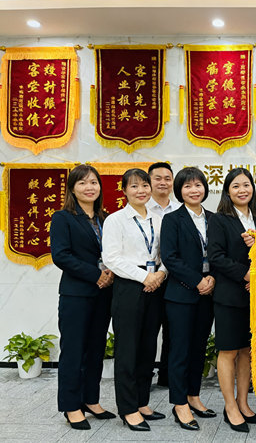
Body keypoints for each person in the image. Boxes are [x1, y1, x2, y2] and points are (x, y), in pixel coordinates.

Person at [102, 168, 168, 431]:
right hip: (129, 286)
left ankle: (142, 402)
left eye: (144, 185)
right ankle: (128, 409)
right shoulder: (115, 220)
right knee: (128, 349)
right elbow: (111, 258)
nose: (141, 191)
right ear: (124, 191)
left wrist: (160, 274)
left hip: (156, 286)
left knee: (148, 347)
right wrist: (144, 277)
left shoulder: (159, 219)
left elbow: (167, 253)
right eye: (134, 186)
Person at [50, 164, 116, 430]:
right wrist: (95, 274)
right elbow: (61, 256)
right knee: (74, 350)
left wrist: (110, 272)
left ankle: (91, 400)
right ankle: (70, 405)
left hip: (104, 292)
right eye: (83, 183)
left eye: (94, 182)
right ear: (72, 188)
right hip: (76, 294)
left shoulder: (106, 218)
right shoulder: (63, 218)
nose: (90, 187)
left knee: (96, 349)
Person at [208, 168, 256, 434]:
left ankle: (243, 403)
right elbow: (216, 257)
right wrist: (246, 274)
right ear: (227, 191)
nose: (242, 190)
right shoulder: (219, 219)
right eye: (236, 186)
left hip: (255, 296)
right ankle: (230, 406)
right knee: (228, 350)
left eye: (246, 185)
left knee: (247, 351)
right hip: (229, 295)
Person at [160, 167, 217, 431]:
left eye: (198, 185)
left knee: (198, 347)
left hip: (208, 293)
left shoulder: (214, 219)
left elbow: (218, 253)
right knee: (180, 350)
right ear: (179, 191)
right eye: (187, 186)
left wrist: (212, 278)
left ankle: (194, 395)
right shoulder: (172, 219)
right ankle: (179, 403)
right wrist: (197, 281)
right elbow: (170, 257)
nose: (194, 190)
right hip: (181, 294)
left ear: (205, 187)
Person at [146, 162, 178, 388]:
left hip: (173, 277)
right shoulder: (141, 207)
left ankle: (167, 376)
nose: (163, 182)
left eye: (167, 178)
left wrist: (163, 272)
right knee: (148, 329)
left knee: (173, 329)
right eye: (158, 178)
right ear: (149, 182)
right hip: (147, 279)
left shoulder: (180, 209)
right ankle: (144, 375)